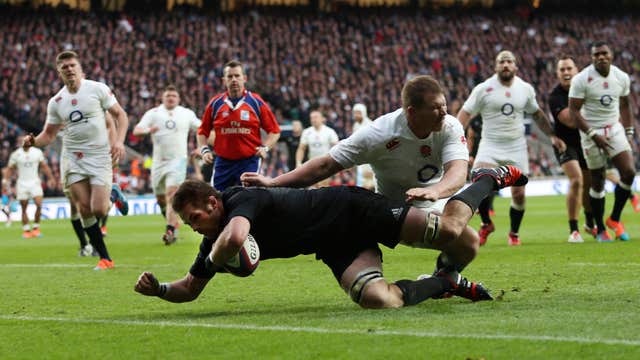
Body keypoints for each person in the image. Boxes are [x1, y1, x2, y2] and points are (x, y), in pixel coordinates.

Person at [134, 165, 528, 308]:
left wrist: (218, 259)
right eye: (188, 224)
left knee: (452, 231)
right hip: (335, 244)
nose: (193, 227)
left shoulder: (242, 199)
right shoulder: (212, 240)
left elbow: (235, 240)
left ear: (212, 202)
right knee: (379, 300)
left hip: (350, 207)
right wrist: (160, 290)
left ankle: (487, 178)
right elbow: (189, 288)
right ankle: (441, 282)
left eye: (193, 218)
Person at [242, 75, 476, 277]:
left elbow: (458, 172)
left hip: (435, 201)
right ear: (412, 112)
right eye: (436, 107)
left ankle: (442, 280)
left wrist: (435, 191)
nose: (444, 112)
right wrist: (273, 182)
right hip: (395, 211)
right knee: (449, 230)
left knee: (469, 246)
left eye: (444, 105)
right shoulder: (379, 134)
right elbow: (325, 165)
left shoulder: (449, 126)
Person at [23, 50, 129, 270]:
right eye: (64, 67)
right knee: (84, 209)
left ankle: (112, 192)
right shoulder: (56, 102)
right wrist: (32, 142)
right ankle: (106, 259)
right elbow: (49, 135)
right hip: (72, 158)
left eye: (72, 65)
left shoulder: (97, 89)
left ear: (80, 68)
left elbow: (120, 115)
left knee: (99, 210)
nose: (69, 69)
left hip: (99, 155)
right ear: (59, 72)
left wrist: (119, 142)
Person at [457, 50, 566, 246]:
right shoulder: (484, 89)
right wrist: (455, 136)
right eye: (502, 62)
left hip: (516, 146)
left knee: (518, 194)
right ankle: (486, 223)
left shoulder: (525, 89)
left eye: (509, 61)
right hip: (490, 144)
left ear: (515, 66)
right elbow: (465, 114)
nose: (506, 65)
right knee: (479, 182)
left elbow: (538, 114)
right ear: (496, 66)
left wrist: (551, 135)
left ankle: (514, 233)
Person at [569, 41, 637, 242]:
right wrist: (592, 134)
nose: (600, 57)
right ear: (592, 57)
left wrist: (629, 132)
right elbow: (574, 111)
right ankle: (600, 229)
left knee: (629, 172)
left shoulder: (621, 77)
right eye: (596, 54)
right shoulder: (582, 79)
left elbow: (625, 105)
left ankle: (614, 219)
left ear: (611, 55)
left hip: (614, 128)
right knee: (597, 181)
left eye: (604, 53)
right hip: (591, 132)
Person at [197, 60, 281, 191]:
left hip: (249, 162)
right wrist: (204, 150)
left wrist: (265, 148)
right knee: (218, 202)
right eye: (230, 76)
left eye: (237, 76)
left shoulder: (255, 102)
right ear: (224, 80)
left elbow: (274, 131)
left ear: (245, 78)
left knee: (248, 198)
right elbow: (202, 131)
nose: (234, 80)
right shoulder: (215, 103)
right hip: (223, 163)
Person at [133, 85, 201, 245]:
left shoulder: (186, 113)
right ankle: (172, 224)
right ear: (163, 98)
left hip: (178, 161)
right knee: (161, 199)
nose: (171, 98)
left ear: (178, 99)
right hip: (158, 162)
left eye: (173, 96)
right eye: (168, 96)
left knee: (172, 194)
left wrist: (201, 145)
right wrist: (149, 130)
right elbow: (137, 130)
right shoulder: (154, 113)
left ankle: (170, 230)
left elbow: (201, 128)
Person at [548, 55, 593, 243]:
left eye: (569, 69)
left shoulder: (587, 88)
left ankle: (590, 223)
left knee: (589, 185)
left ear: (577, 70)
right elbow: (570, 121)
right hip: (565, 144)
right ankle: (574, 230)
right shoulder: (555, 96)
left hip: (587, 142)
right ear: (557, 73)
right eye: (562, 70)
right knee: (576, 180)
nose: (566, 72)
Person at [3, 136, 56, 238]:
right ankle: (26, 230)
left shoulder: (37, 152)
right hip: (22, 183)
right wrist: (5, 180)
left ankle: (36, 228)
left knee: (39, 204)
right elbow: (10, 168)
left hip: (35, 182)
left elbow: (44, 166)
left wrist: (51, 178)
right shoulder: (16, 154)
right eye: (22, 141)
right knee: (24, 208)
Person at [296, 110, 339, 187]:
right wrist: (298, 162)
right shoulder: (306, 132)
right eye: (311, 118)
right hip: (311, 164)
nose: (313, 120)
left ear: (322, 119)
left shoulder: (330, 131)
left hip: (326, 165)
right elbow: (301, 149)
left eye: (315, 117)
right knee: (312, 188)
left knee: (323, 188)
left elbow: (337, 148)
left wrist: (336, 165)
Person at [352, 103, 375, 191]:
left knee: (370, 185)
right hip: (360, 159)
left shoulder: (370, 125)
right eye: (355, 113)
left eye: (358, 113)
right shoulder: (355, 125)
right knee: (361, 186)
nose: (356, 115)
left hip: (369, 159)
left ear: (363, 113)